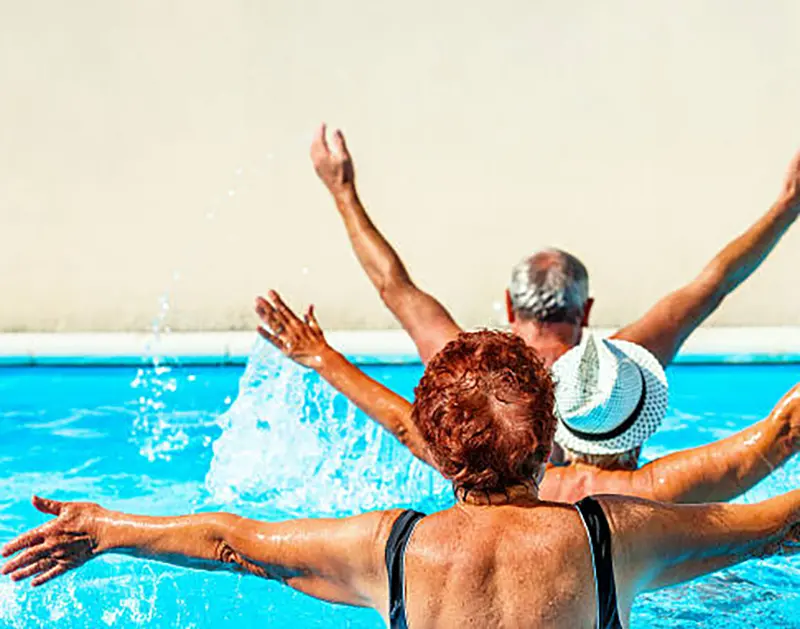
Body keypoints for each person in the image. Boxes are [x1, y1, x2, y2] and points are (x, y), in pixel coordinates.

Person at [4, 331, 800, 629]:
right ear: (549, 439)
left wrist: (106, 527)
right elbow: (778, 521)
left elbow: (229, 539)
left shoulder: (392, 545)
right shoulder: (612, 533)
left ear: (439, 453)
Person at [311, 124, 800, 468]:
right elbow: (712, 285)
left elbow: (393, 286)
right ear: (584, 311)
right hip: (613, 536)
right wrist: (786, 206)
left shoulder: (469, 369)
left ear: (509, 306)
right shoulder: (619, 369)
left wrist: (343, 193)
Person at [256, 291, 800, 504]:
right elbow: (785, 431)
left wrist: (319, 356)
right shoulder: (655, 493)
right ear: (644, 427)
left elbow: (404, 424)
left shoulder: (495, 465)